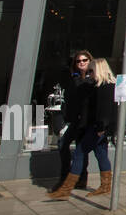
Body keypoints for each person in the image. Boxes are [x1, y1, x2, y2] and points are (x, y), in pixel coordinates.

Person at [47, 57, 117, 199]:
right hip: (97, 126)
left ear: (99, 70)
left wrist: (102, 127)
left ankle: (66, 189)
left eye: (92, 70)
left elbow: (106, 110)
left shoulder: (105, 86)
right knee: (101, 153)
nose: (89, 73)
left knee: (79, 153)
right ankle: (105, 186)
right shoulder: (98, 85)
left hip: (98, 128)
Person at [56, 50, 93, 190]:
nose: (81, 63)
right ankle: (69, 176)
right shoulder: (74, 78)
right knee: (63, 145)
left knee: (81, 149)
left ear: (90, 62)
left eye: (84, 60)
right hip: (74, 119)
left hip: (85, 120)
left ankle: (79, 178)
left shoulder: (91, 79)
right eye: (79, 61)